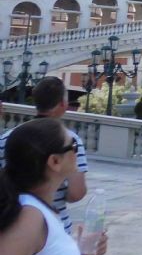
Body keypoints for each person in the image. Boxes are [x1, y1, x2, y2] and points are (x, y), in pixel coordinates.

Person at [0, 119, 107, 255]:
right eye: (72, 145)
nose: (76, 151)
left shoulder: (37, 210)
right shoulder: (29, 216)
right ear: (55, 161)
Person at [0, 76, 88, 235]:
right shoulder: (70, 142)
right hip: (54, 226)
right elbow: (76, 192)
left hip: (11, 225)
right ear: (63, 104)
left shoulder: (8, 137)